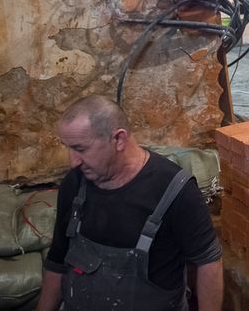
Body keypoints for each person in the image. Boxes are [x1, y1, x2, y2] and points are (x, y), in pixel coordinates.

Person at [36, 95, 223, 311]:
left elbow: (208, 261)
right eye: (68, 148)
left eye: (81, 149)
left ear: (119, 139)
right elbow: (58, 259)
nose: (73, 161)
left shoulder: (175, 190)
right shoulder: (75, 183)